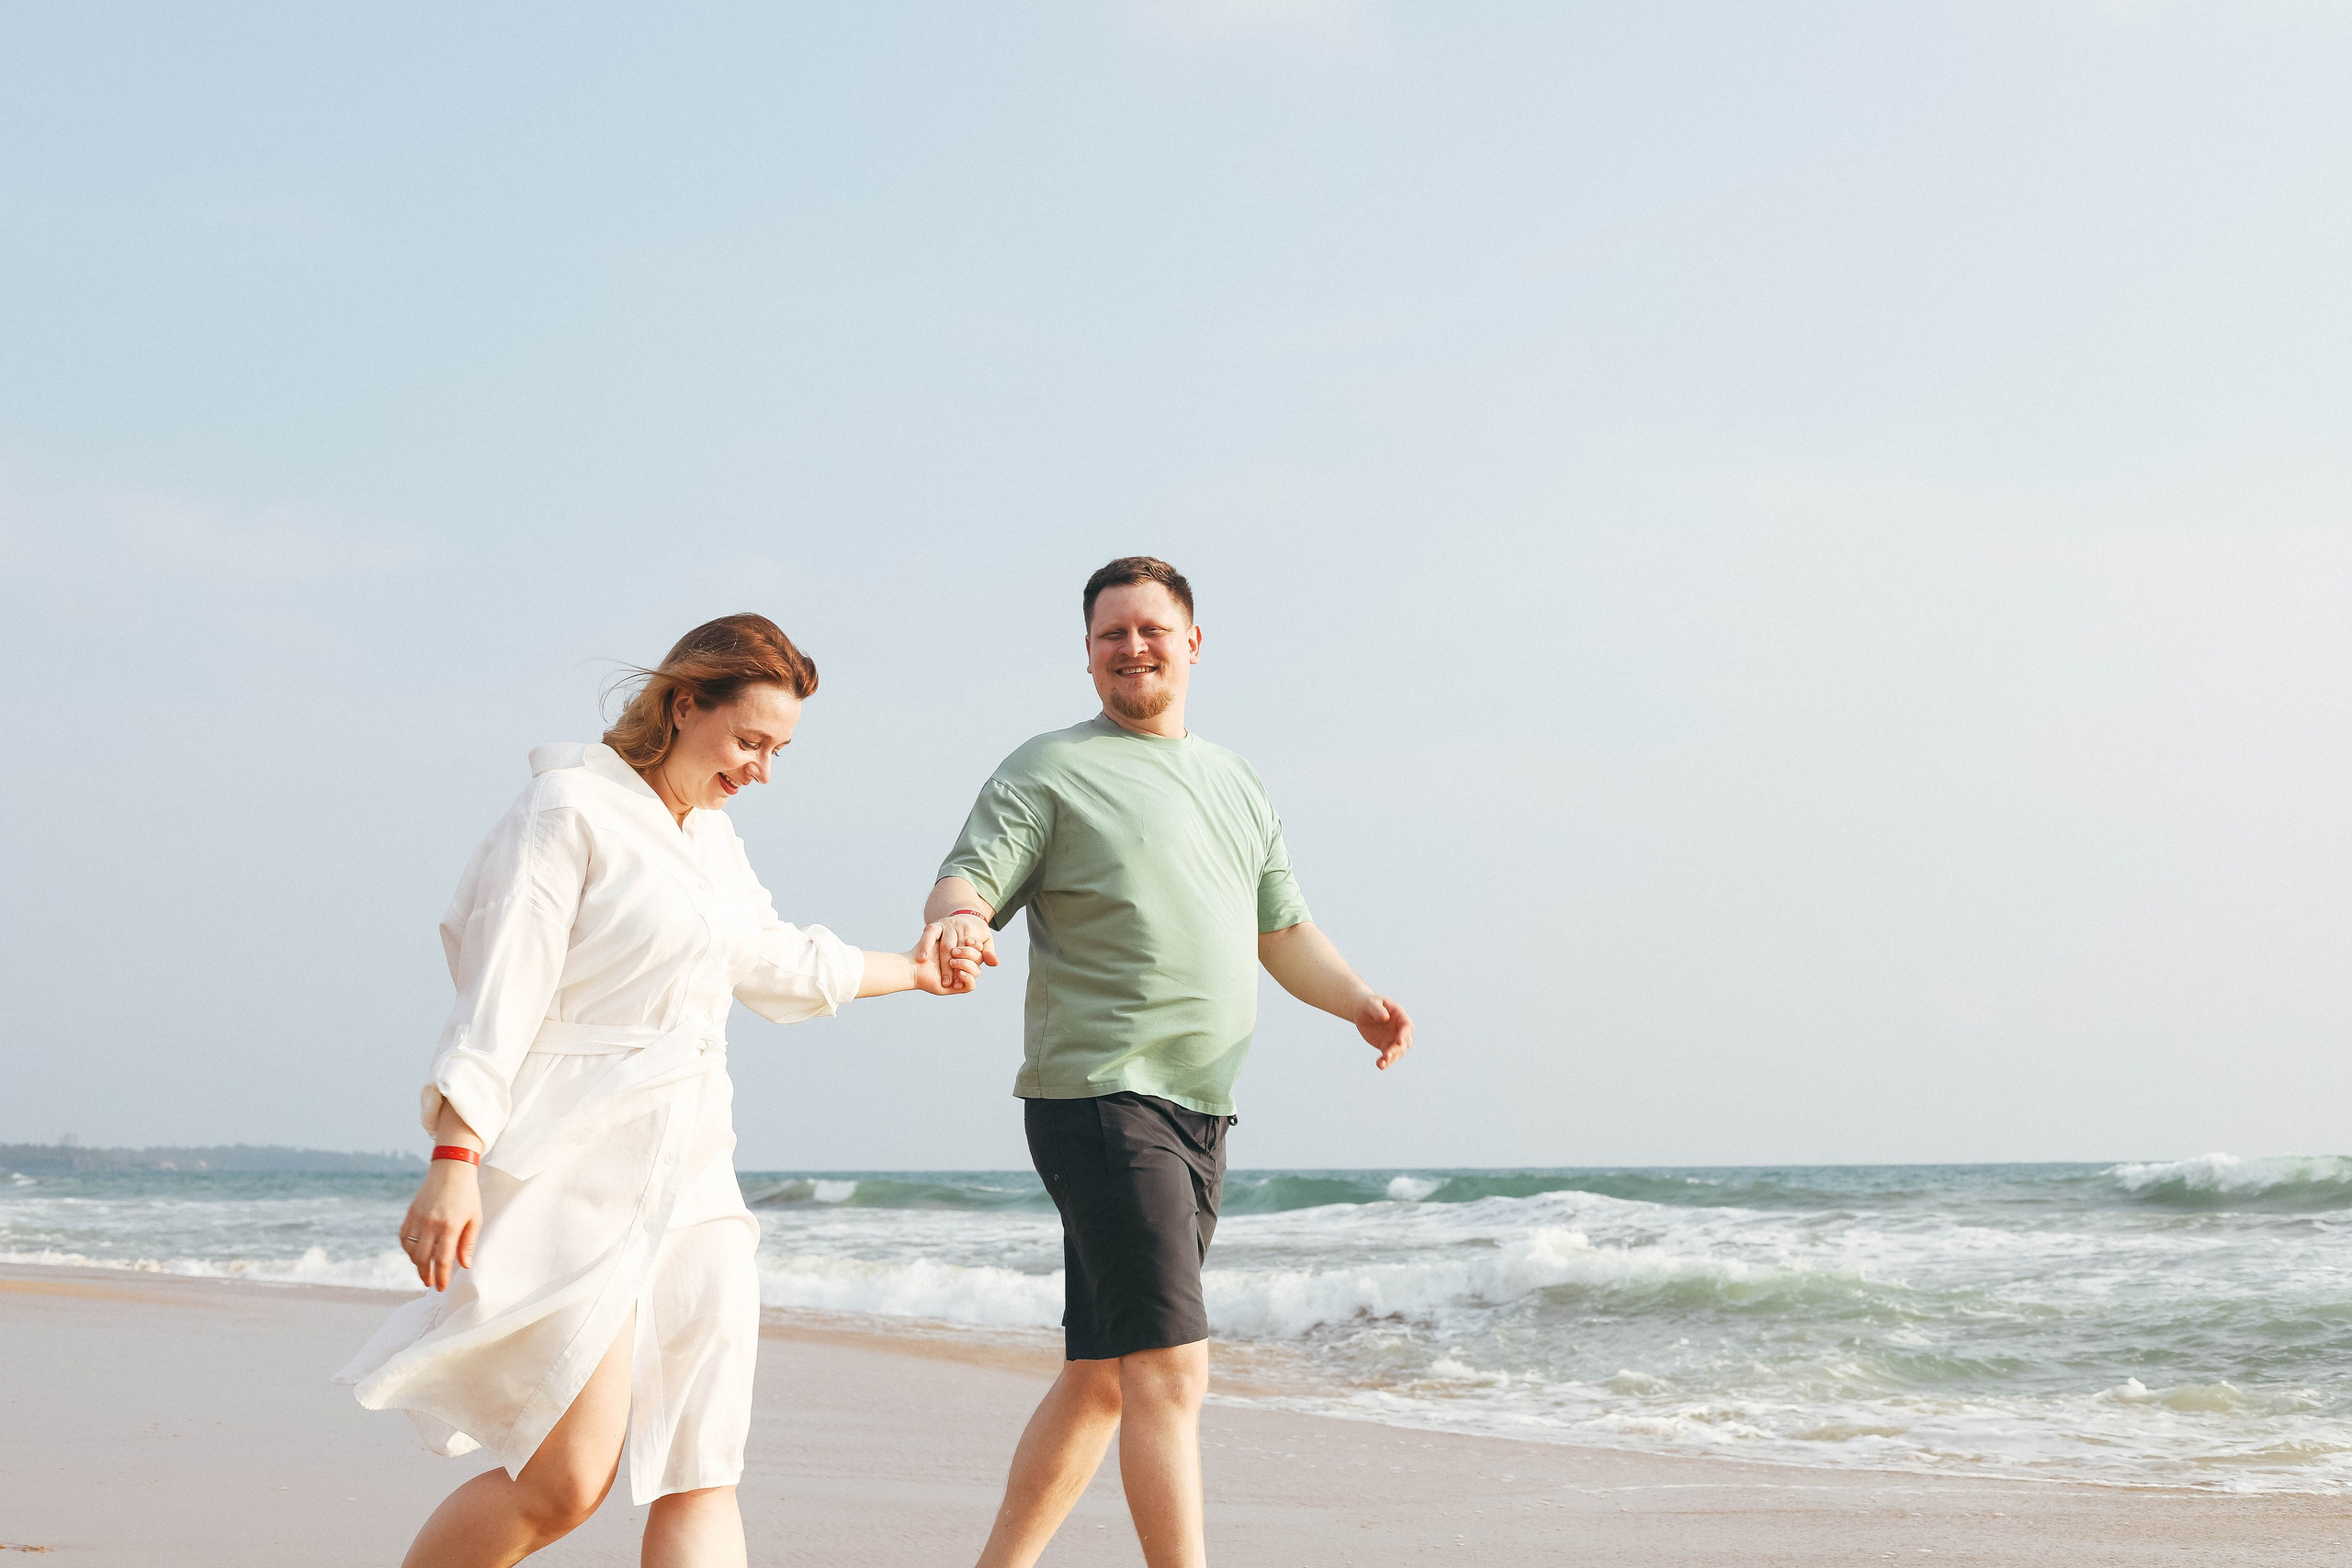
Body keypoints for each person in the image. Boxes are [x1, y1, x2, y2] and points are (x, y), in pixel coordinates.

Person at [336, 614, 981, 1568]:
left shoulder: (712, 841)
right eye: (750, 741)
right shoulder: (567, 809)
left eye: (779, 750)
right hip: (573, 1173)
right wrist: (454, 1156)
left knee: (701, 1465)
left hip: (696, 1178)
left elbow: (774, 961)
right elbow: (498, 997)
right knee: (565, 1481)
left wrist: (915, 971)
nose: (762, 769)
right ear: (684, 705)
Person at [922, 556, 1415, 1568]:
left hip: (1199, 1107)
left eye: (1151, 629)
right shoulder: (1050, 767)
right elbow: (968, 878)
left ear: (1192, 642)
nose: (1132, 647)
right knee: (1170, 1370)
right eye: (1112, 633)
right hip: (1104, 1092)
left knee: (1104, 1375)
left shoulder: (1236, 780)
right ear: (1087, 653)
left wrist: (1359, 1002)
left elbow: (1282, 931)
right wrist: (961, 922)